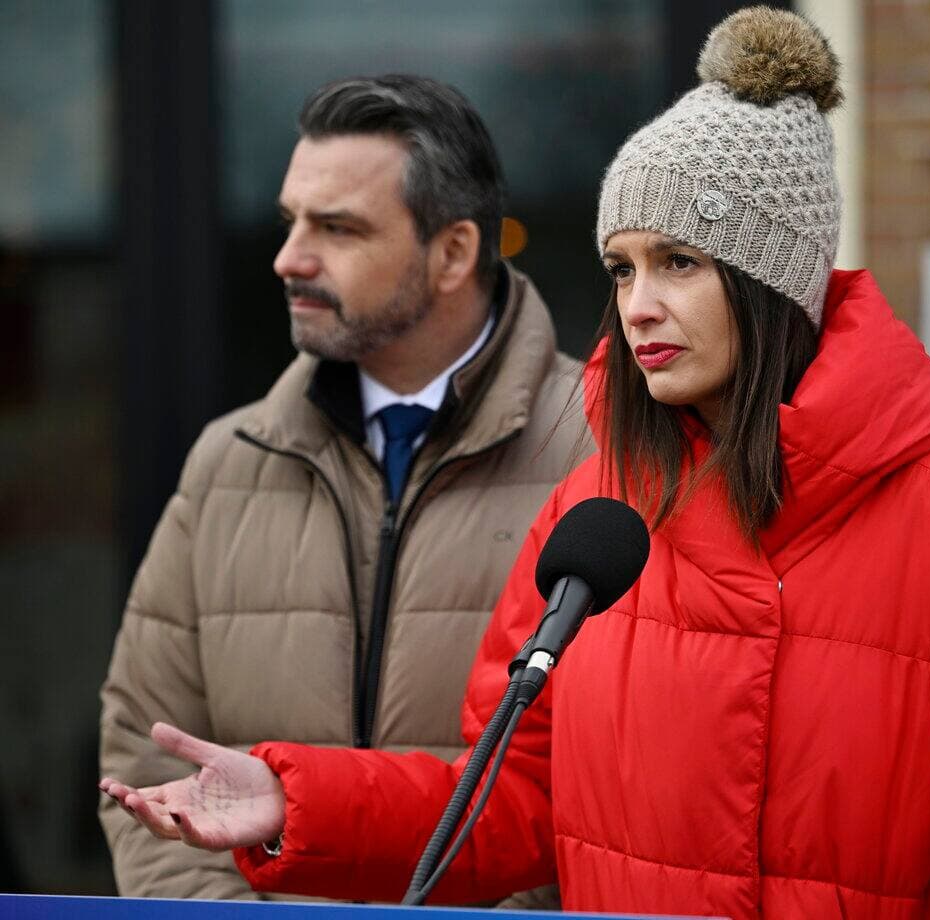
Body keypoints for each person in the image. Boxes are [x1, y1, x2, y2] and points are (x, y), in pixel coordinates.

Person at [101, 9, 930, 919]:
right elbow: (509, 804)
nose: (638, 305)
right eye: (621, 267)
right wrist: (297, 800)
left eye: (679, 263)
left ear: (771, 286)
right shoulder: (598, 508)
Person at [97, 74, 584, 907]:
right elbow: (144, 759)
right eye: (292, 220)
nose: (289, 257)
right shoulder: (226, 465)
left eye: (338, 227)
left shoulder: (605, 456)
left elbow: (616, 795)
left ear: (454, 253)